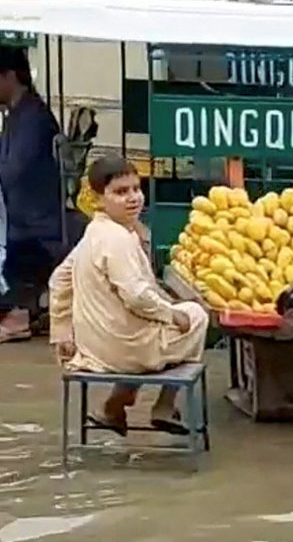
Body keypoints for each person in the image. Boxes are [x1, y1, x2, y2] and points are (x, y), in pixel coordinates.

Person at [47, 153, 208, 436]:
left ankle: (114, 405)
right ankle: (164, 406)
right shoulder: (117, 239)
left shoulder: (95, 232)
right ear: (98, 198)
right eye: (121, 192)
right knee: (196, 315)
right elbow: (137, 297)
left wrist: (62, 333)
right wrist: (172, 314)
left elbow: (58, 279)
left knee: (154, 324)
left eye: (136, 189)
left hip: (95, 346)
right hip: (122, 349)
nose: (133, 198)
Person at [0, 46, 63, 343]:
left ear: (9, 76)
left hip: (35, 221)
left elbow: (14, 170)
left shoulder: (32, 117)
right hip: (24, 212)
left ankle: (18, 312)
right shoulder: (17, 114)